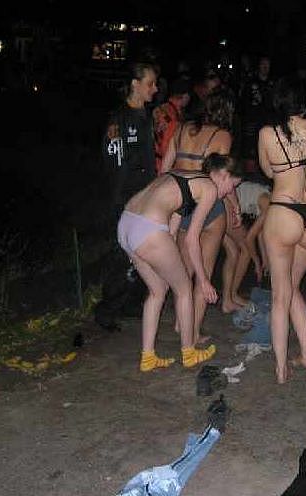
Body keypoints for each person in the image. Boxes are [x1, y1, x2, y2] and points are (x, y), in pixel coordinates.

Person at [117, 153, 242, 371]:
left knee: (157, 290)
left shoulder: (182, 177)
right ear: (223, 174)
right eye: (232, 185)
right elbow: (192, 239)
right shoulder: (209, 189)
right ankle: (189, 352)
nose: (229, 192)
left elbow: (173, 231)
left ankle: (148, 357)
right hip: (149, 229)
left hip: (126, 225)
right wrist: (203, 280)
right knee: (184, 290)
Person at [258, 77, 306, 384]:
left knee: (281, 294)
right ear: (305, 103)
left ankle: (280, 368)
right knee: (293, 286)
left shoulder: (268, 133)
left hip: (284, 211)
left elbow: (268, 171)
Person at [162, 89, 238, 343]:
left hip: (182, 204)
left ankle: (179, 322)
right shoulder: (222, 136)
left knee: (184, 271)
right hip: (209, 206)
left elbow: (165, 170)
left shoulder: (181, 129)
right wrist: (235, 206)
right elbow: (221, 177)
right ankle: (192, 333)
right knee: (203, 270)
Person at [94, 61, 159, 332]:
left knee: (145, 249)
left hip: (145, 195)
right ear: (135, 84)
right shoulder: (119, 118)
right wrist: (122, 201)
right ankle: (106, 310)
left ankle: (133, 303)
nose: (155, 89)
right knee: (121, 253)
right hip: (126, 199)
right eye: (150, 83)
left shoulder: (146, 116)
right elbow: (113, 161)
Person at [153, 78, 191, 175]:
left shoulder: (162, 108)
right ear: (184, 95)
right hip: (163, 166)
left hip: (157, 162)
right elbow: (166, 146)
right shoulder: (171, 116)